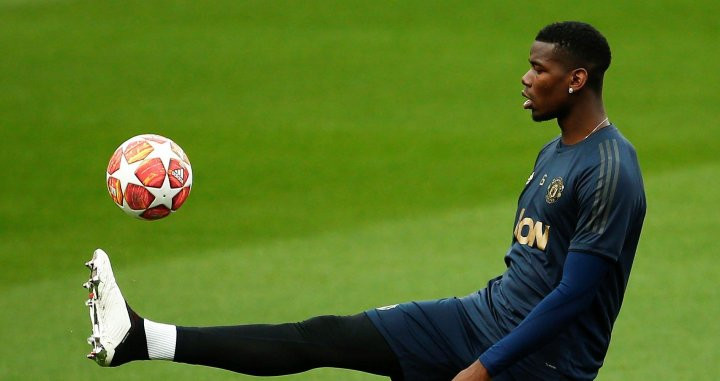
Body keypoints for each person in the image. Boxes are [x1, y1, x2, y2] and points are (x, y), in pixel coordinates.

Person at [83, 21, 646, 381]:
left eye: (538, 68)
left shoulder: (610, 171)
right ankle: (141, 339)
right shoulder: (555, 151)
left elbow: (574, 296)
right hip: (485, 318)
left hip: (541, 364)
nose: (525, 79)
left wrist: (483, 369)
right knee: (326, 336)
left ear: (576, 79)